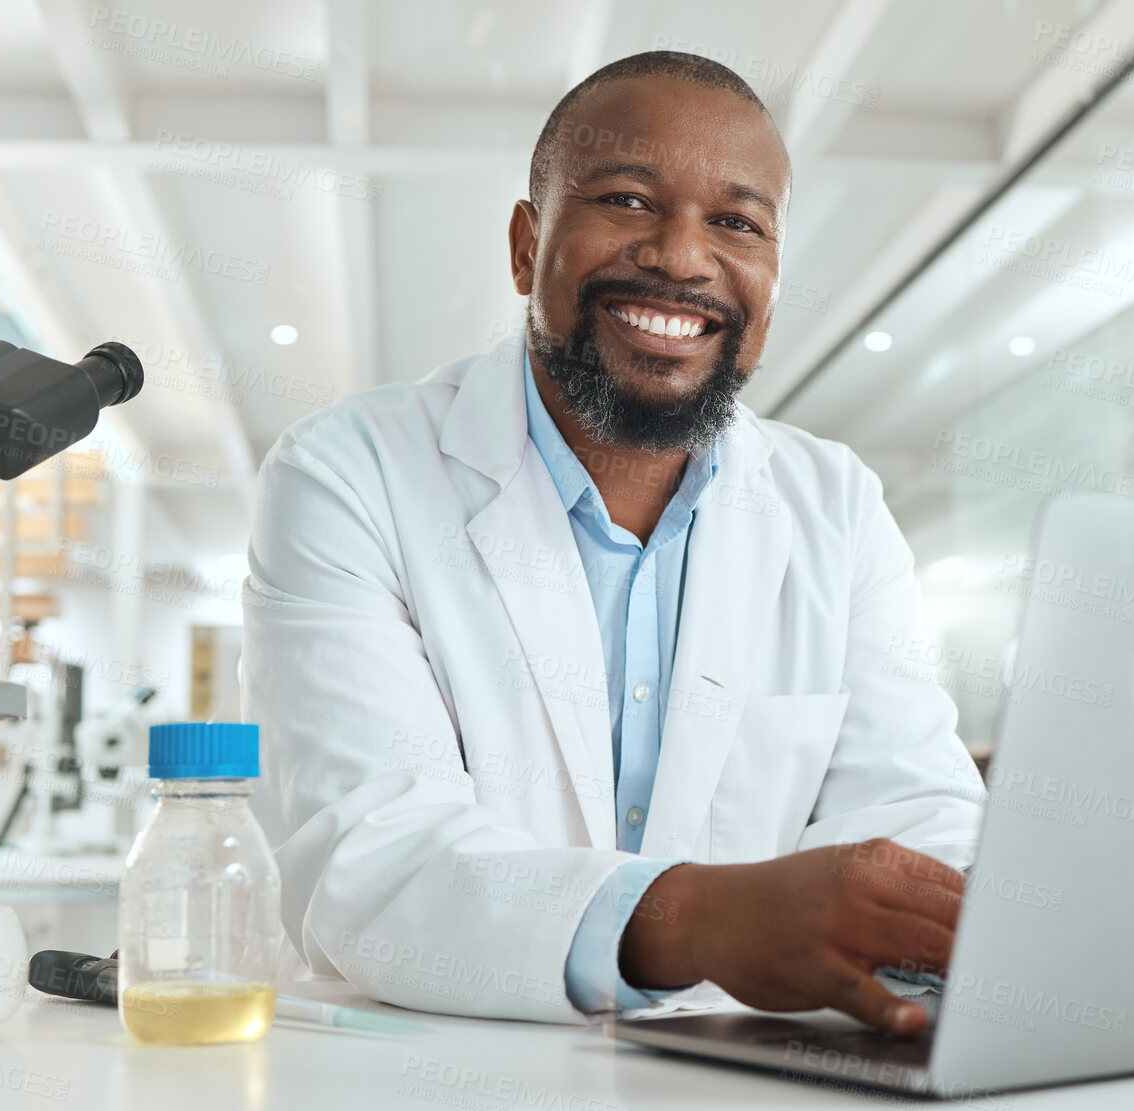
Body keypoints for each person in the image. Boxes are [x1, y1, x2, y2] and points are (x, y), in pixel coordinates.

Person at [241, 50, 985, 1036]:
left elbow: (916, 820)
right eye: (629, 200)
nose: (683, 257)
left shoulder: (835, 505)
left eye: (737, 223)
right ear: (526, 244)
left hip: (746, 1076)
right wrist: (698, 918)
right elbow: (370, 863)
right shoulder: (350, 473)